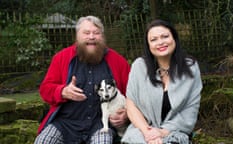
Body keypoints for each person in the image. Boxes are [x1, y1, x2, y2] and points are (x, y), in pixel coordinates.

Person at [34, 15, 130, 144]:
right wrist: (62, 91)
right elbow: (45, 90)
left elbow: (133, 96)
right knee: (43, 142)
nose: (91, 37)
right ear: (77, 36)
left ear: (102, 36)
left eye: (96, 33)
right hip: (65, 123)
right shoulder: (61, 58)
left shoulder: (118, 62)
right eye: (86, 33)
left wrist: (126, 114)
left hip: (101, 124)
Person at [121, 19, 203, 144]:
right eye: (153, 39)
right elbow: (131, 105)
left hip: (174, 132)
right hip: (142, 132)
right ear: (148, 45)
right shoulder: (139, 66)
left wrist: (162, 132)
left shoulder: (190, 67)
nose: (160, 42)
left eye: (165, 36)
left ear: (174, 38)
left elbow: (191, 108)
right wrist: (148, 132)